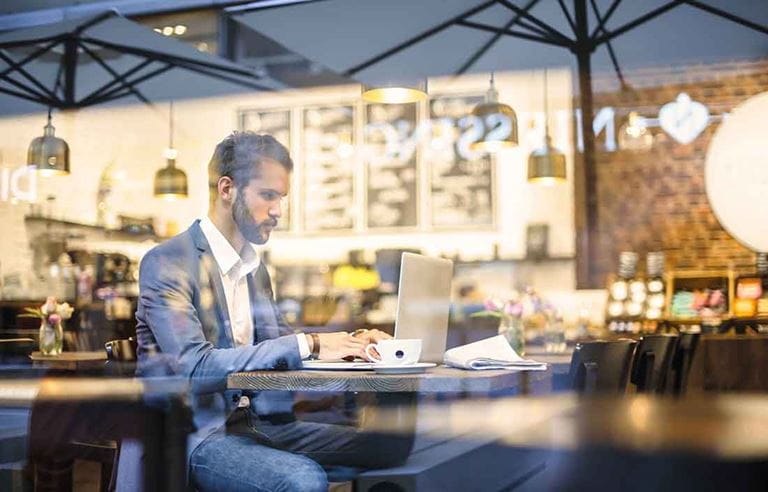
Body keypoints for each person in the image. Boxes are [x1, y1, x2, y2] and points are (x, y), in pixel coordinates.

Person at [135, 132, 405, 491]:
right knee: (302, 479)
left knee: (388, 447)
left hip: (258, 425)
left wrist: (354, 346)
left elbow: (280, 344)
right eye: (268, 195)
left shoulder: (254, 268)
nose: (278, 210)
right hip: (195, 435)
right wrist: (309, 343)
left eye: (281, 198)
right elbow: (194, 369)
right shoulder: (168, 262)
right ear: (227, 189)